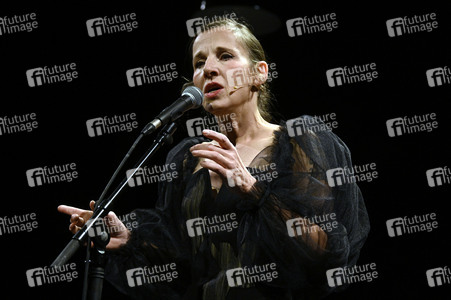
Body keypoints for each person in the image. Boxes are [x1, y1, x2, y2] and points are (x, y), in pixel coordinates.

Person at [58, 18, 370, 299]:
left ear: (259, 73)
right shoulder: (186, 157)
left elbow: (325, 253)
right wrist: (129, 240)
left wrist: (253, 188)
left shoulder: (298, 141)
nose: (208, 69)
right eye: (198, 62)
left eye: (225, 56)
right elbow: (182, 264)